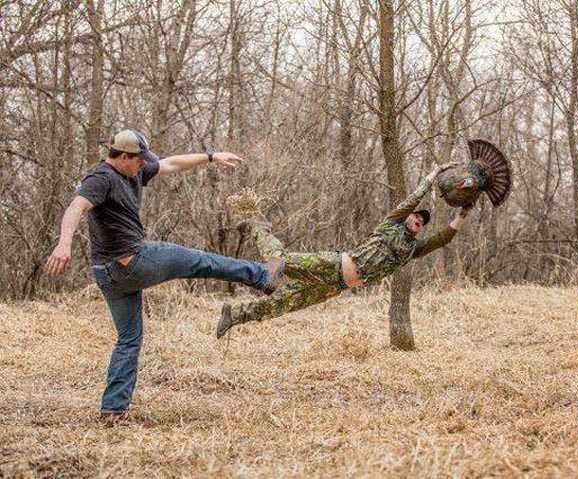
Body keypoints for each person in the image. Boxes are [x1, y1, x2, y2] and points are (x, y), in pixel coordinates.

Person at [45, 129, 284, 423]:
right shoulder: (101, 179)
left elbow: (172, 163)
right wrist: (63, 243)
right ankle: (263, 275)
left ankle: (113, 410)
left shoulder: (134, 171)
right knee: (201, 261)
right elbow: (75, 207)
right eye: (138, 161)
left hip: (108, 275)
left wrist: (211, 157)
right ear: (121, 157)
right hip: (132, 263)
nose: (143, 165)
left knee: (129, 339)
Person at [216, 162, 472, 338]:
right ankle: (257, 226)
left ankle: (235, 314)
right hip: (334, 264)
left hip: (335, 286)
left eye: (422, 222)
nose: (419, 221)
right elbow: (411, 200)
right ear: (408, 218)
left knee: (282, 304)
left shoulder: (412, 249)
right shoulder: (391, 223)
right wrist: (432, 176)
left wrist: (462, 215)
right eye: (417, 217)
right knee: (279, 261)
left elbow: (442, 239)